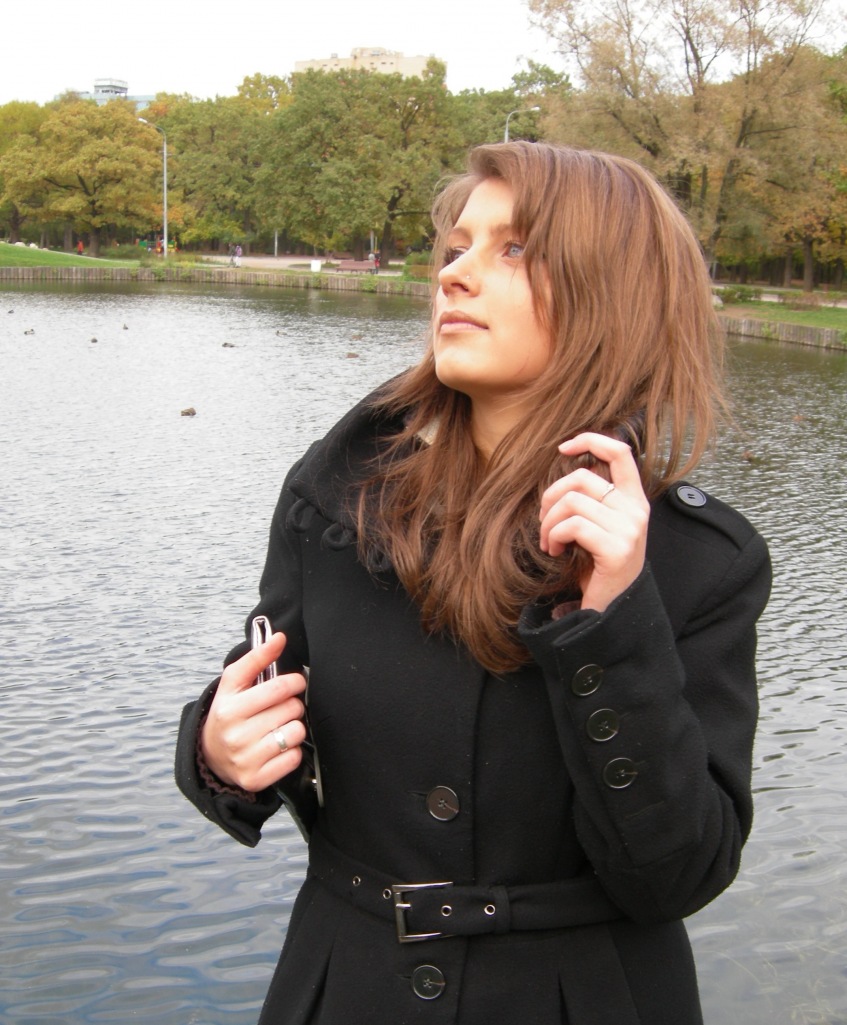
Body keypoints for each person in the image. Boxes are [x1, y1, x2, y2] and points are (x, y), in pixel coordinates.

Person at [175, 142, 771, 1025]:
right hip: (346, 988)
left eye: (513, 248)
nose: (453, 274)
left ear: (614, 290)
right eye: (455, 247)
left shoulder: (699, 561)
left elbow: (678, 872)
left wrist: (615, 617)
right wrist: (220, 753)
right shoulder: (333, 497)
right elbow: (260, 693)